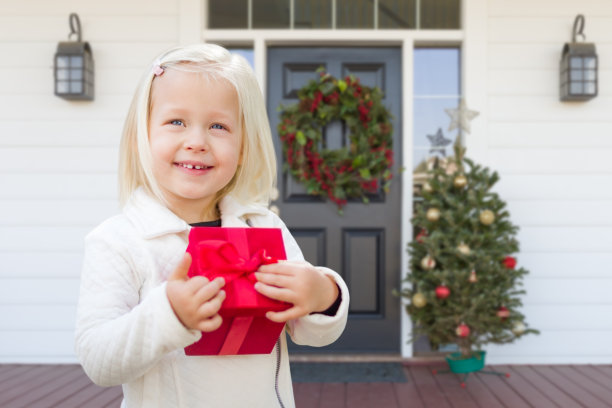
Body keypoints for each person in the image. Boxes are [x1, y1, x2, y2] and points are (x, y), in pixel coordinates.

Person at [75, 43, 349, 408]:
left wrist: (323, 296)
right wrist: (167, 314)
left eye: (218, 126)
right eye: (176, 122)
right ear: (142, 136)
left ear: (243, 147)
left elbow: (310, 334)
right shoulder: (118, 241)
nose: (196, 142)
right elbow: (99, 361)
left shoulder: (263, 227)